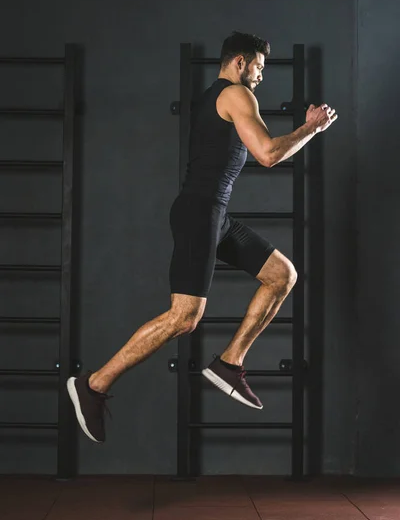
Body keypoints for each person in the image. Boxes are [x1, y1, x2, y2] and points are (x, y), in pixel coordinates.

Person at [67, 31, 338, 443]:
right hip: (200, 213)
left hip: (214, 214)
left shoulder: (218, 94)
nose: (261, 76)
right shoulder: (236, 95)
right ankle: (93, 385)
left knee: (282, 275)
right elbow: (267, 154)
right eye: (260, 67)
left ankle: (230, 363)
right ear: (241, 62)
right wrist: (311, 129)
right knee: (184, 318)